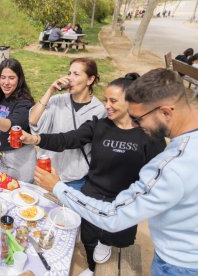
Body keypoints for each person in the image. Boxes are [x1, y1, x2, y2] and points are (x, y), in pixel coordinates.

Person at [30, 68, 198, 275]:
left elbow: (114, 215)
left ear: (165, 112)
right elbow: (69, 138)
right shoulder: (186, 146)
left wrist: (57, 186)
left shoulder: (171, 164)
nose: (137, 125)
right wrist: (36, 139)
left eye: (138, 118)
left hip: (180, 264)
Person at [29, 58, 106, 191]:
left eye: (76, 74)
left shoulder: (99, 110)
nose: (70, 78)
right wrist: (50, 90)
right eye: (69, 73)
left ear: (90, 80)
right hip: (47, 173)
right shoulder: (57, 100)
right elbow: (33, 120)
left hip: (74, 180)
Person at [0, 58, 36, 183]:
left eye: (11, 78)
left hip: (20, 158)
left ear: (19, 79)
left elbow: (14, 124)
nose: (6, 82)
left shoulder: (24, 102)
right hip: (0, 156)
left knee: (21, 195)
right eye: (3, 77)